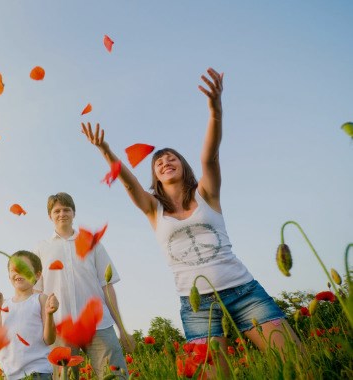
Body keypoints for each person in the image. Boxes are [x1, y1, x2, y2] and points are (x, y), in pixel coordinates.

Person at [81, 68, 301, 371]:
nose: (165, 162)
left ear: (182, 165)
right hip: (197, 304)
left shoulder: (207, 194)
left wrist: (215, 111)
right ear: (155, 177)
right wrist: (105, 150)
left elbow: (210, 157)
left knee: (297, 364)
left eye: (171, 157)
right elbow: (129, 183)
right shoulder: (152, 209)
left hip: (243, 291)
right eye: (158, 162)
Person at [34, 192, 132, 377]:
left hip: (99, 325)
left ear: (74, 213)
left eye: (66, 209)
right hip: (60, 328)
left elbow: (107, 286)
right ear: (50, 216)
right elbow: (37, 294)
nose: (62, 214)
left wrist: (122, 328)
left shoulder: (92, 243)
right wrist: (43, 333)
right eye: (57, 211)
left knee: (116, 376)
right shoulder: (41, 248)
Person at [0, 250, 59, 380]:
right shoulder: (4, 304)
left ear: (37, 275)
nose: (18, 272)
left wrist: (49, 315)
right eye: (14, 269)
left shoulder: (40, 299)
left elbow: (49, 339)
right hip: (10, 375)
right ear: (9, 275)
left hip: (38, 372)